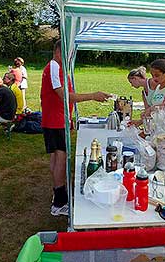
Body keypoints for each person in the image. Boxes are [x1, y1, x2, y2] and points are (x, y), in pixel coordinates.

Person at [41, 39, 110, 216]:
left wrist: (69, 117)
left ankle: (58, 192)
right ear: (59, 51)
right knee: (60, 157)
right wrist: (93, 96)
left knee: (57, 156)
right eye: (68, 53)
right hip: (54, 120)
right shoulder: (54, 66)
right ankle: (59, 202)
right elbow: (64, 95)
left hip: (57, 119)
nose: (70, 57)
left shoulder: (58, 67)